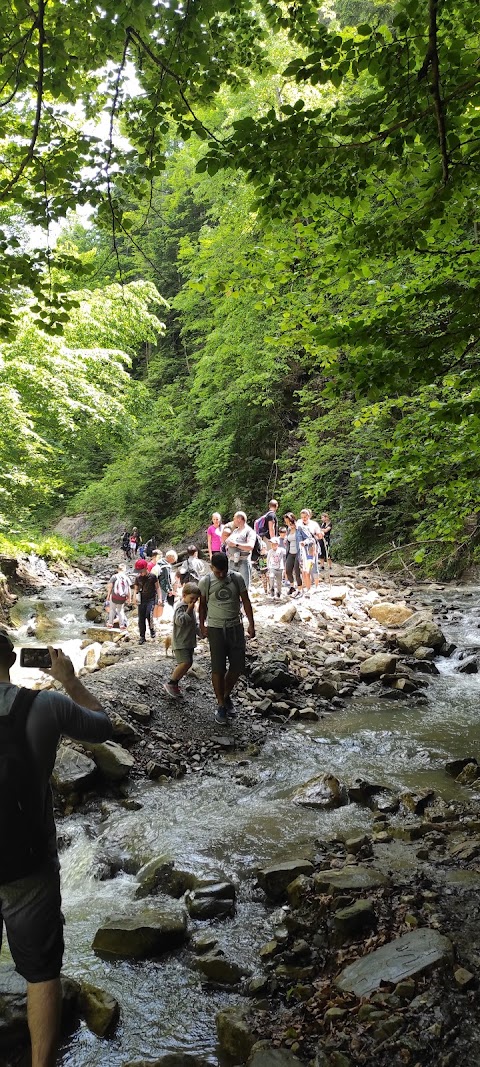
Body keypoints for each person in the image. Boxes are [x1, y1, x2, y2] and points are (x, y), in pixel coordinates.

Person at [0, 632, 112, 1067]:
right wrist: (69, 680)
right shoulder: (44, 706)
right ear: (12, 659)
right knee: (41, 972)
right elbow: (102, 726)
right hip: (26, 862)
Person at [199, 551, 255, 724]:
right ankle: (221, 705)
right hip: (215, 628)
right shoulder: (206, 581)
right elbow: (202, 606)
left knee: (237, 666)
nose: (221, 574)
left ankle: (224, 694)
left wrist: (251, 624)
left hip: (235, 626)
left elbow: (246, 601)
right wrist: (202, 625)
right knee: (218, 667)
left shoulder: (237, 578)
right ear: (211, 568)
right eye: (218, 572)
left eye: (224, 571)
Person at [163, 582, 200, 699]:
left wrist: (201, 632)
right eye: (192, 598)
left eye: (196, 599)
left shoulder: (191, 607)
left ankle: (175, 683)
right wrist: (189, 610)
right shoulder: (181, 607)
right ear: (184, 595)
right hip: (180, 642)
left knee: (188, 662)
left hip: (188, 641)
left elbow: (193, 624)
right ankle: (171, 683)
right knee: (186, 662)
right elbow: (180, 621)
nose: (193, 601)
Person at [225, 511, 256, 589]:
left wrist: (236, 544)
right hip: (232, 561)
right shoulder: (235, 531)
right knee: (231, 585)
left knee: (244, 586)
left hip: (243, 561)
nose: (233, 521)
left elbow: (250, 546)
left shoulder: (249, 531)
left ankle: (244, 601)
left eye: (234, 518)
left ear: (239, 519)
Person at [133, 560, 159, 644]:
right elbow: (136, 589)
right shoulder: (138, 578)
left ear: (145, 568)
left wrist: (160, 598)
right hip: (141, 600)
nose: (140, 573)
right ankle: (142, 636)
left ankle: (152, 629)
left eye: (141, 571)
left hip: (151, 599)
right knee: (141, 618)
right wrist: (134, 598)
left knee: (149, 614)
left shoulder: (153, 576)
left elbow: (157, 588)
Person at [105, 563, 131, 629]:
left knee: (112, 610)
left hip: (114, 596)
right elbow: (129, 589)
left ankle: (110, 624)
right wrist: (129, 598)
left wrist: (108, 596)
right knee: (120, 610)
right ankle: (122, 625)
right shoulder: (126, 577)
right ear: (125, 569)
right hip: (122, 597)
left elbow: (110, 587)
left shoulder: (114, 577)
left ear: (117, 569)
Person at [149, 550, 172, 620]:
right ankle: (157, 618)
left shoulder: (158, 564)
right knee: (159, 602)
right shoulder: (151, 565)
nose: (160, 558)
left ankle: (156, 618)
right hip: (157, 587)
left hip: (155, 586)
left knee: (157, 602)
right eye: (159, 556)